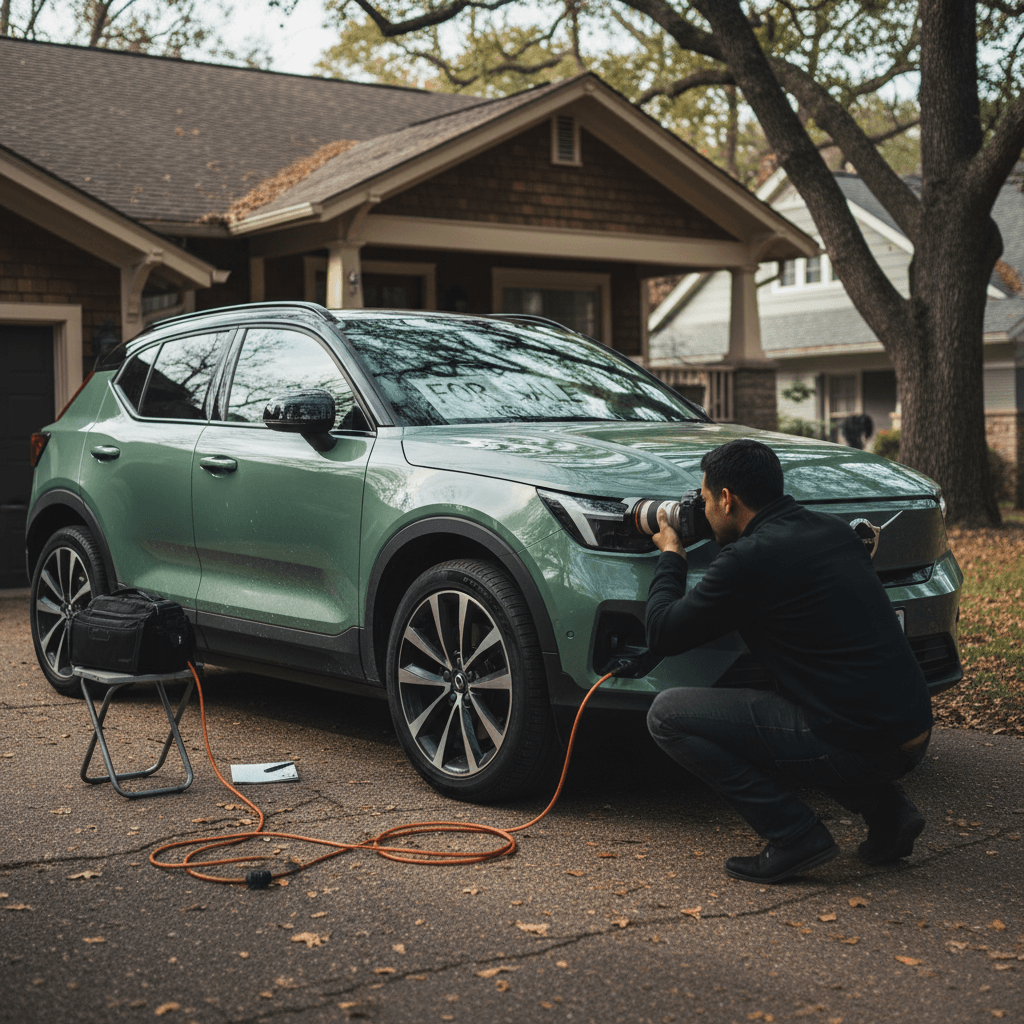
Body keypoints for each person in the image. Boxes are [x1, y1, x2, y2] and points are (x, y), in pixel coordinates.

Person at [645, 437, 933, 884]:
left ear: (727, 498)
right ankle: (890, 814)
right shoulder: (832, 529)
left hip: (860, 740)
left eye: (704, 500)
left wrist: (671, 555)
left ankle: (795, 835)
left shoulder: (748, 559)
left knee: (667, 715)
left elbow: (662, 632)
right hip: (912, 727)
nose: (701, 512)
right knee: (813, 708)